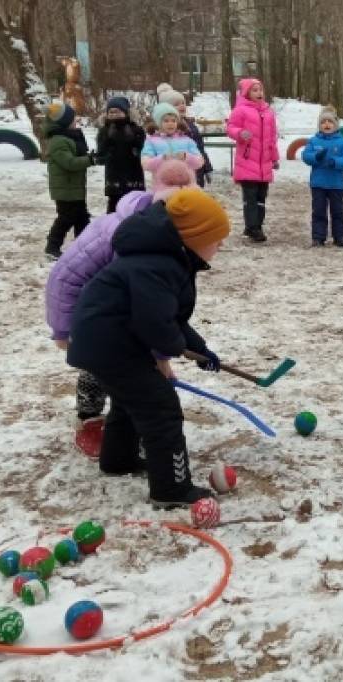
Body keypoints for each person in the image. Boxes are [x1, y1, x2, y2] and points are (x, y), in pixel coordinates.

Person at [66, 188, 230, 506]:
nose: (221, 245)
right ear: (192, 238)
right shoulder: (157, 266)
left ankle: (119, 459)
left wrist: (200, 350)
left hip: (107, 342)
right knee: (161, 409)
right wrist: (175, 345)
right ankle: (172, 489)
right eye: (216, 238)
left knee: (131, 402)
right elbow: (155, 322)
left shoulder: (165, 260)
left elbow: (171, 318)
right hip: (111, 345)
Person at [45, 162, 197, 457]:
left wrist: (159, 356)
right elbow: (64, 278)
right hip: (85, 311)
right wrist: (63, 328)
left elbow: (154, 309)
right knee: (100, 364)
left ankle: (123, 428)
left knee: (126, 365)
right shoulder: (130, 236)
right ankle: (89, 420)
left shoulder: (157, 232)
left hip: (115, 308)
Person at [227, 78, 280, 242]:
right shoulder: (240, 110)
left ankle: (257, 225)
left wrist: (274, 158)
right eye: (254, 90)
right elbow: (230, 127)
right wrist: (239, 133)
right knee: (250, 197)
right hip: (247, 161)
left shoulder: (268, 112)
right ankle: (253, 227)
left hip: (263, 164)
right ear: (246, 93)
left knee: (261, 198)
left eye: (260, 90)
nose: (259, 93)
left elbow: (272, 138)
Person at [42, 101, 96, 261]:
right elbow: (70, 163)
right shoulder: (58, 141)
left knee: (82, 217)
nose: (76, 122)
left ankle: (83, 246)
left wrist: (89, 157)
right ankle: (52, 247)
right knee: (66, 218)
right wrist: (90, 160)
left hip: (74, 188)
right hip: (65, 190)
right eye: (73, 119)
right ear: (64, 122)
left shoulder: (68, 138)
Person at [301, 107, 343, 247]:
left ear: (335, 125)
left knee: (338, 211)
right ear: (319, 125)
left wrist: (335, 162)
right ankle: (318, 236)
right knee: (318, 211)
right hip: (318, 183)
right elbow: (305, 156)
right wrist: (316, 157)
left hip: (336, 184)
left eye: (330, 121)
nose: (327, 124)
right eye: (323, 122)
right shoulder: (313, 141)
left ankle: (339, 236)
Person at [142, 103, 205, 196]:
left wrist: (186, 157)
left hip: (187, 187)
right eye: (166, 121)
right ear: (158, 123)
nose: (170, 123)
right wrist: (162, 158)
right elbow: (146, 164)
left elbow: (200, 162)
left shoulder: (187, 140)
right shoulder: (151, 141)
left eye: (173, 121)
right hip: (163, 188)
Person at [96, 96, 146, 213]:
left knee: (134, 206)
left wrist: (135, 143)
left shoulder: (136, 130)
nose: (114, 114)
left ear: (126, 112)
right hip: (114, 175)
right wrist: (107, 142)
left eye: (117, 111)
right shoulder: (104, 131)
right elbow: (101, 154)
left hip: (133, 174)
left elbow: (142, 149)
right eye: (111, 112)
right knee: (114, 208)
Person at [159, 88, 214, 188]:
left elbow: (200, 149)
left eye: (183, 103)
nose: (181, 106)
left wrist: (207, 168)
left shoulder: (191, 125)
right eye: (176, 104)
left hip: (197, 172)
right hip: (178, 175)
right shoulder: (166, 129)